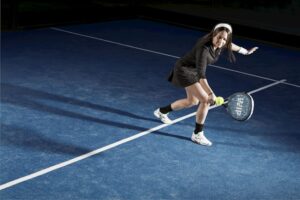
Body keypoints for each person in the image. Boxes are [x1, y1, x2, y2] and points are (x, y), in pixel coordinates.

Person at [154, 23, 258, 146]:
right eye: (219, 37)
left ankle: (162, 111)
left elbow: (230, 45)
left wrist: (245, 51)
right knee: (205, 100)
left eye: (224, 39)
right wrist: (210, 93)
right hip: (184, 70)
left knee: (192, 102)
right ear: (213, 34)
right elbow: (201, 75)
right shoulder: (204, 48)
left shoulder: (222, 43)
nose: (221, 41)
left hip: (192, 71)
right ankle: (197, 134)